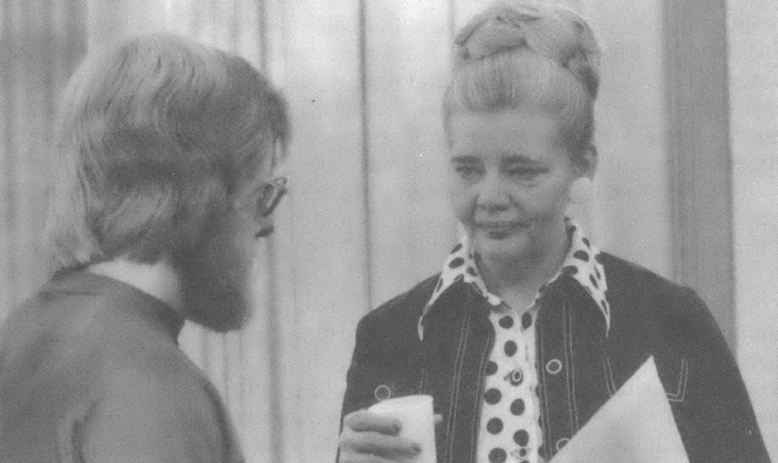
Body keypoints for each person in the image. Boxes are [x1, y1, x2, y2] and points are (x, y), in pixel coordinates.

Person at [338, 2, 770, 463]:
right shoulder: (389, 336)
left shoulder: (671, 321)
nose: (489, 197)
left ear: (583, 165)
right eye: (467, 169)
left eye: (522, 172)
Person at [0, 34, 288, 462]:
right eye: (261, 195)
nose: (265, 225)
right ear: (198, 191)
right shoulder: (150, 382)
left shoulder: (24, 334)